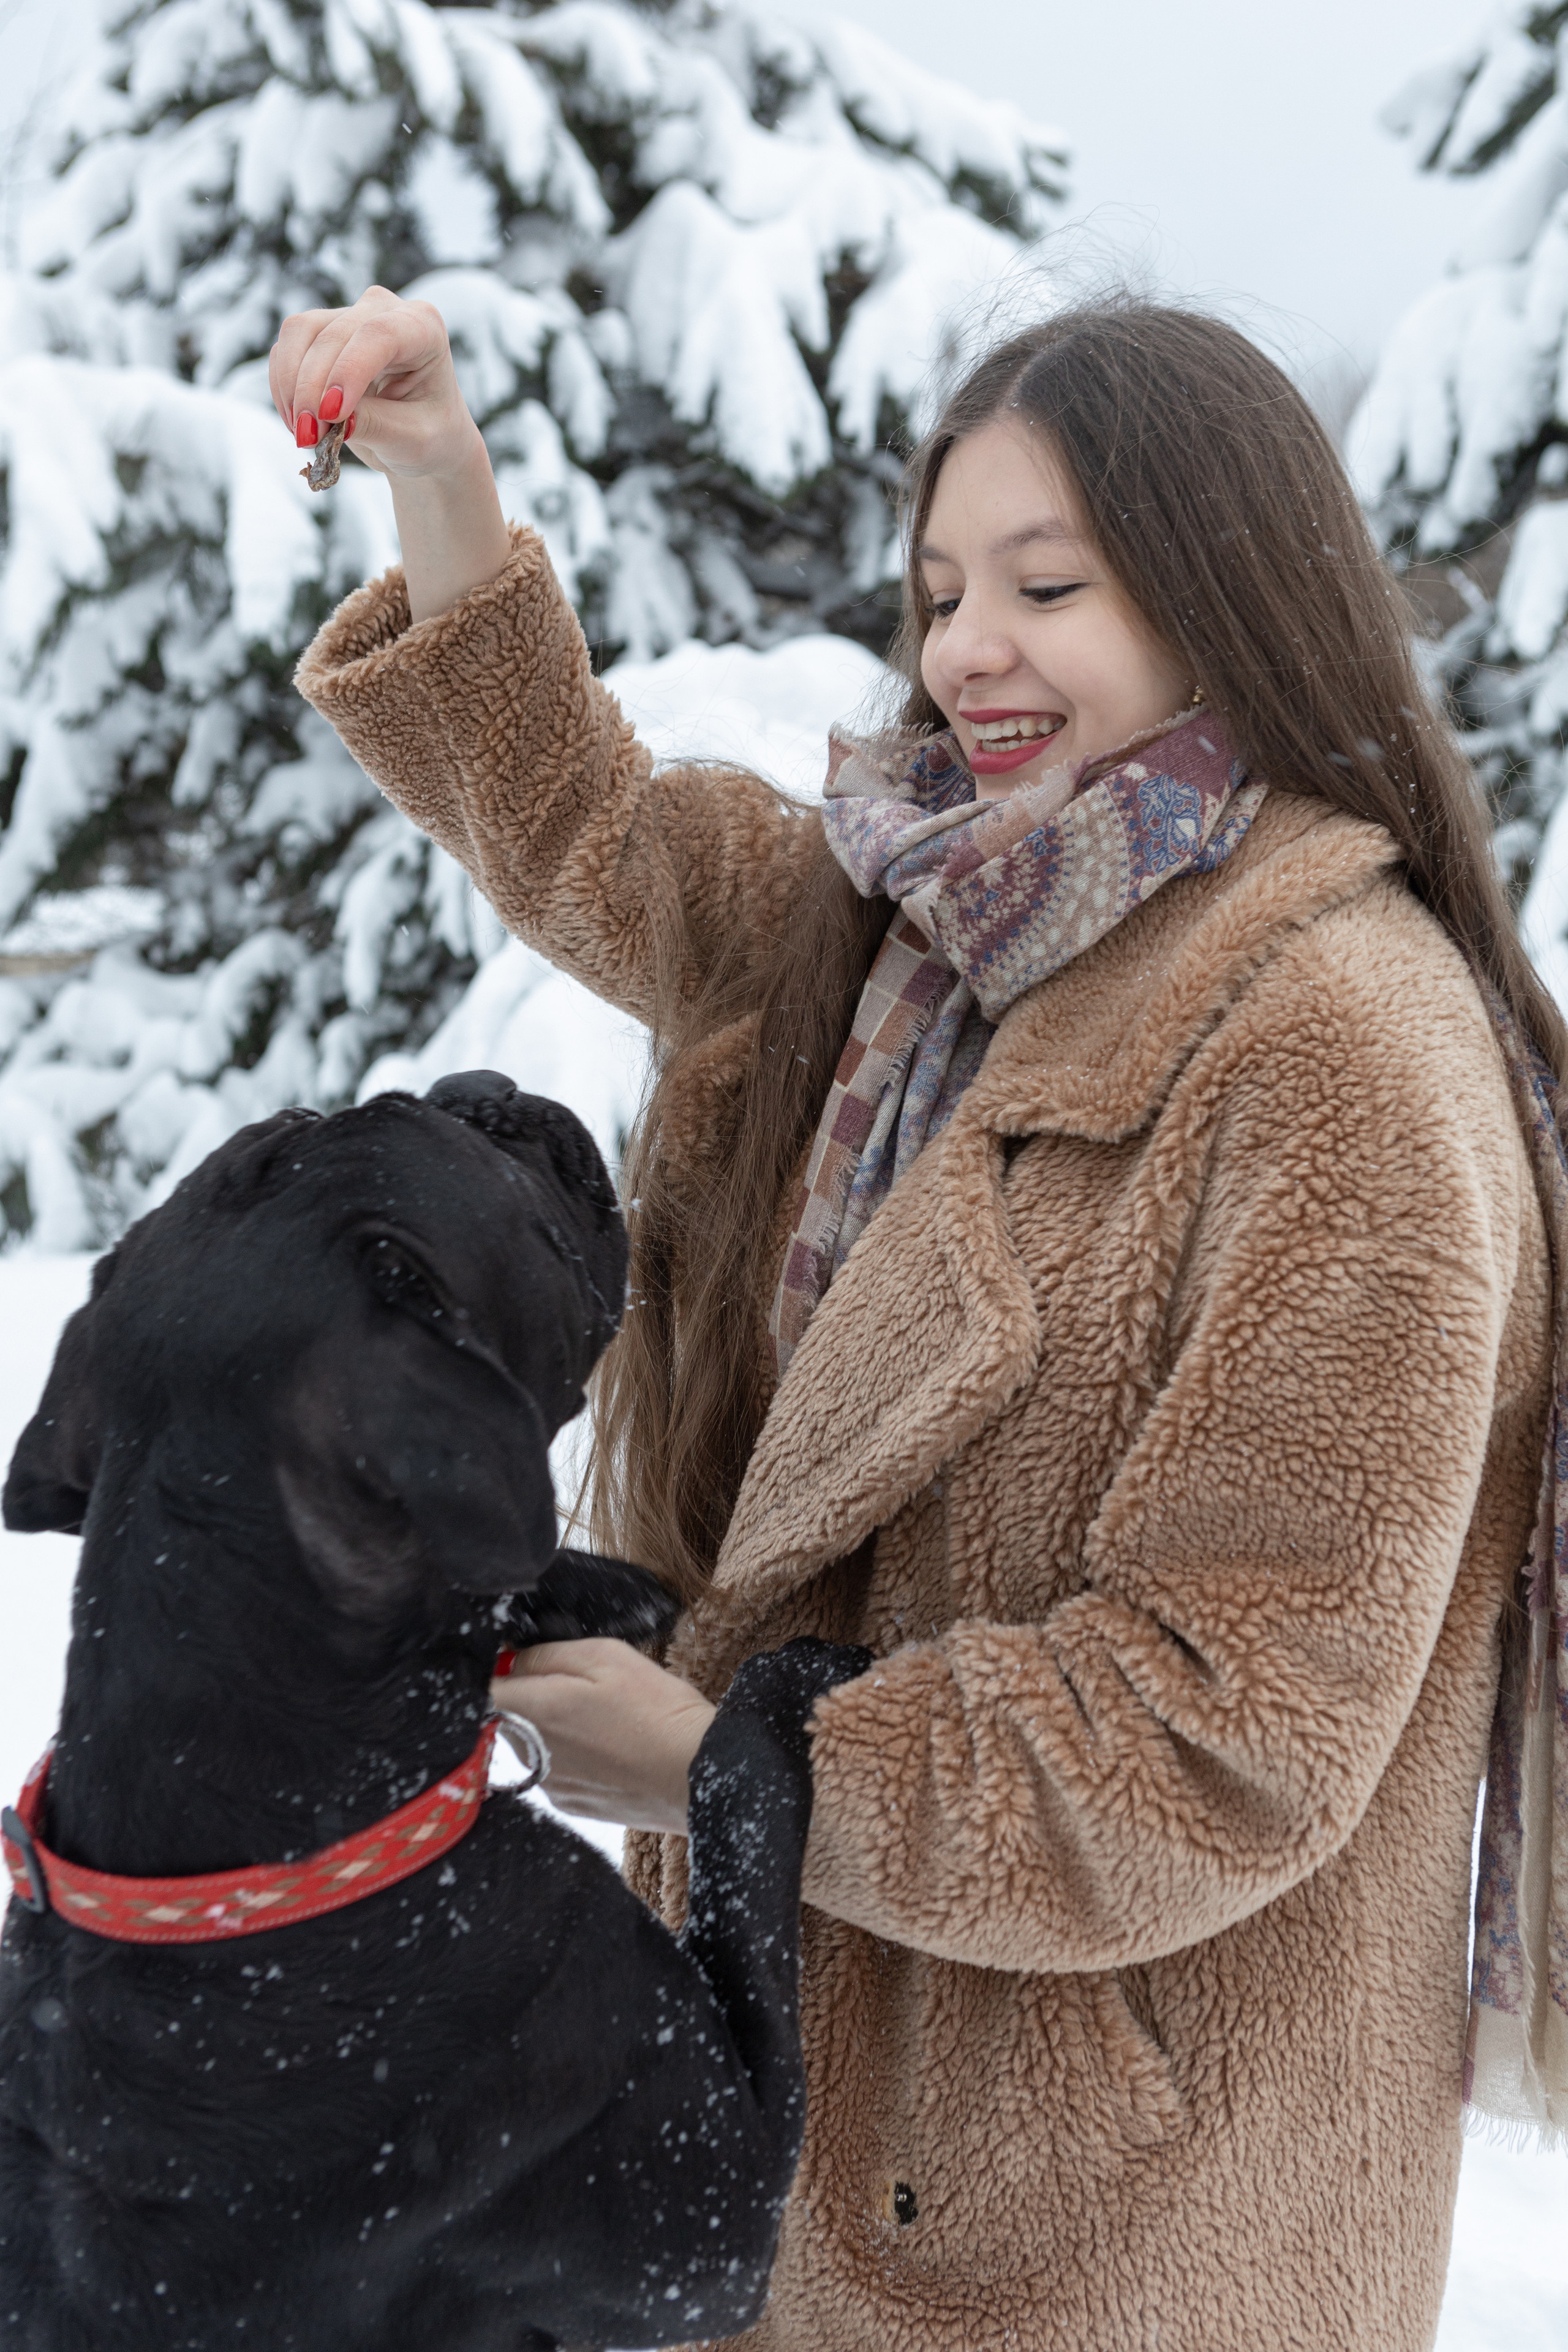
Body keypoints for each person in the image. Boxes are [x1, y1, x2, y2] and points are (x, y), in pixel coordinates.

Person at [280, 287, 1568, 2351]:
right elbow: (593, 825)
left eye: (1048, 583)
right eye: (942, 583)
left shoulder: (1343, 1050)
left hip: (1121, 2217)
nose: (968, 645)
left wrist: (727, 1761)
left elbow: (1232, 1726)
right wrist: (441, 476)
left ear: (1231, 591)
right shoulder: (935, 929)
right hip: (849, 2117)